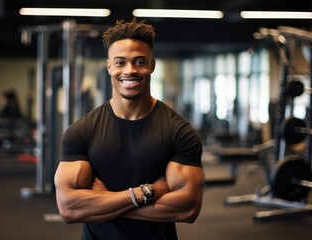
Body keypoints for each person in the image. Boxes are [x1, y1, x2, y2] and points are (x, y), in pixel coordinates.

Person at [54, 18, 205, 240]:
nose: (130, 70)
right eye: (120, 62)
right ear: (109, 66)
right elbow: (69, 208)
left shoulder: (179, 131)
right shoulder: (82, 131)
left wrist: (106, 202)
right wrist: (146, 192)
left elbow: (188, 208)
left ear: (152, 65)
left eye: (139, 61)